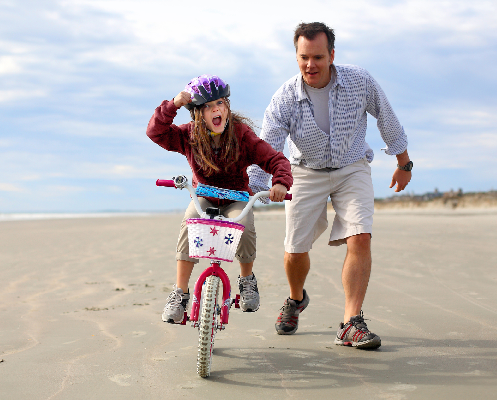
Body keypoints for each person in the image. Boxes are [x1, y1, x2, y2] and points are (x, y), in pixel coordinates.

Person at [248, 22, 412, 349]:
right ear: (296, 57)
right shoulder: (284, 99)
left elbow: (387, 117)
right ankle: (296, 299)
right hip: (305, 171)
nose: (311, 65)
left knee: (360, 236)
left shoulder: (359, 81)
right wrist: (253, 187)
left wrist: (403, 163)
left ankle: (351, 322)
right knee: (295, 250)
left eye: (318, 57)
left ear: (332, 55)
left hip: (352, 167)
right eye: (304, 57)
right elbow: (267, 146)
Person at [147, 75, 292, 324]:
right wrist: (174, 104)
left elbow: (276, 160)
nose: (215, 109)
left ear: (227, 107)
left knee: (242, 224)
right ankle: (180, 293)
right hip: (204, 196)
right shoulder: (189, 135)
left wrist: (280, 182)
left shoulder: (241, 134)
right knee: (191, 220)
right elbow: (156, 132)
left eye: (220, 103)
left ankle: (246, 280)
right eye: (206, 106)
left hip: (236, 198)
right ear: (196, 114)